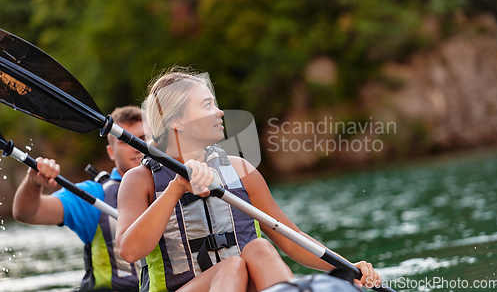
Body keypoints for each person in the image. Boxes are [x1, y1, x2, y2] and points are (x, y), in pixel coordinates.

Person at [115, 69, 382, 292]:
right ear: (178, 121)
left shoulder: (241, 169)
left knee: (259, 248)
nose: (220, 112)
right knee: (232, 266)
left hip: (241, 284)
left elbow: (291, 239)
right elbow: (129, 251)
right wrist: (176, 188)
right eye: (207, 105)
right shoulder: (140, 179)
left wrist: (348, 268)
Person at [13, 106, 149, 292]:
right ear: (110, 152)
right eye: (125, 141)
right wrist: (32, 182)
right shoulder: (94, 195)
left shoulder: (174, 185)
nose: (136, 147)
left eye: (142, 139)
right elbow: (28, 213)